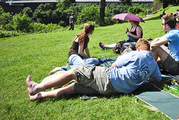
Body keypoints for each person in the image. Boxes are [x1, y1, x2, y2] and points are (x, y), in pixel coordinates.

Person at [26, 39, 161, 101]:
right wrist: (142, 76)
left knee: (77, 71)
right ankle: (40, 96)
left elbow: (114, 65)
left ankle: (38, 88)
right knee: (75, 88)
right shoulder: (154, 64)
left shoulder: (135, 54)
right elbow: (157, 79)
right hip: (115, 91)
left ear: (138, 48)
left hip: (110, 79)